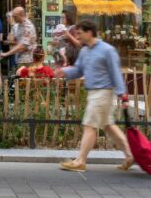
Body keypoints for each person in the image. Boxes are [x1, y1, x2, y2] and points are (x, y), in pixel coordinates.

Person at [55, 20, 134, 173]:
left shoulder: (107, 50)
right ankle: (130, 155)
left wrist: (122, 94)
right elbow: (79, 71)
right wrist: (64, 72)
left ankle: (80, 161)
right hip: (94, 93)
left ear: (89, 32)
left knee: (89, 125)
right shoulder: (84, 51)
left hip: (103, 93)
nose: (77, 37)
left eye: (80, 33)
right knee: (108, 126)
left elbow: (115, 73)